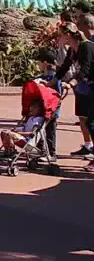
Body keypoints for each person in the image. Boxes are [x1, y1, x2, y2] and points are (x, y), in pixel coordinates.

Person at [55, 22, 94, 168]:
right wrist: (53, 81)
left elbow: (85, 69)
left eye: (61, 34)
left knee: (92, 122)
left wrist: (71, 83)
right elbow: (65, 66)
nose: (59, 37)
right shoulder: (73, 49)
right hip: (89, 87)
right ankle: (88, 146)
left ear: (68, 35)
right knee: (84, 117)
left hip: (91, 85)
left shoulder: (87, 47)